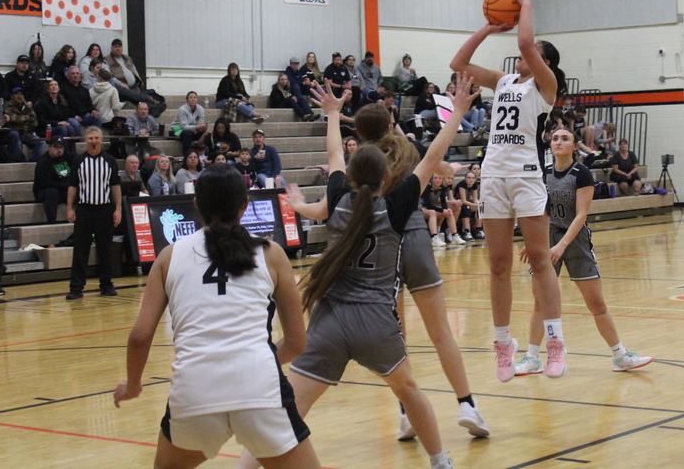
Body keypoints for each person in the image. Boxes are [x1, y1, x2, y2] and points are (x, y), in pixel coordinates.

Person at [236, 77, 475, 469]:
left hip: (328, 322)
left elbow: (333, 153)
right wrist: (459, 113)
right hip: (376, 323)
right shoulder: (396, 206)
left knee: (289, 411)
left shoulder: (338, 197)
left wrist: (332, 114)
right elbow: (433, 156)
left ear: (349, 175)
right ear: (386, 177)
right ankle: (440, 462)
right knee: (410, 390)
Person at [286, 96, 490, 443]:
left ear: (358, 132)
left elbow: (326, 205)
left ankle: (405, 413)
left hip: (383, 252)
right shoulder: (407, 149)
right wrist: (452, 161)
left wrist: (298, 204)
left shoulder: (357, 164)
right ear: (390, 121)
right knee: (441, 331)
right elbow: (435, 163)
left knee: (396, 336)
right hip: (411, 235)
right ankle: (466, 403)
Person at [113, 164, 319, 469]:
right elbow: (297, 343)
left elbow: (139, 337)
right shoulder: (271, 253)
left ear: (196, 204)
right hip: (259, 389)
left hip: (195, 390)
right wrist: (254, 358)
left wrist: (133, 385)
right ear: (245, 206)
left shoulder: (169, 256)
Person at [450, 0, 568, 382]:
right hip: (494, 176)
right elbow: (458, 65)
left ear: (544, 62)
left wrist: (526, 4)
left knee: (538, 261)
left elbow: (524, 45)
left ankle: (554, 341)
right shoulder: (502, 82)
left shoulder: (546, 87)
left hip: (526, 177)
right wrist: (487, 27)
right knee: (498, 266)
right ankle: (504, 344)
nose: (526, 56)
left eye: (536, 55)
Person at [514, 128, 652, 376]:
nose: (558, 141)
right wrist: (533, 242)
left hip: (575, 240)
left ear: (574, 146)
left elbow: (581, 214)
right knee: (539, 302)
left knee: (596, 303)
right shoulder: (543, 174)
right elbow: (540, 212)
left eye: (564, 138)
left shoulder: (582, 174)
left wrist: (561, 245)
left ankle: (619, 355)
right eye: (555, 138)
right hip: (547, 240)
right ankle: (532, 357)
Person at [66, 126, 122, 300]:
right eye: (90, 138)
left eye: (96, 138)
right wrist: (70, 208)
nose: (94, 141)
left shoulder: (110, 160)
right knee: (80, 250)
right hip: (84, 209)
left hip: (104, 209)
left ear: (101, 139)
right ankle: (76, 288)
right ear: (85, 140)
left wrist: (118, 209)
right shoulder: (78, 161)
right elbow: (72, 186)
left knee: (105, 249)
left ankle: (106, 285)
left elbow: (115, 186)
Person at [108, 39, 167, 117]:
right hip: (119, 88)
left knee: (135, 98)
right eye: (115, 47)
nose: (118, 48)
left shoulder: (127, 58)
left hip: (132, 86)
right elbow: (109, 76)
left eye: (119, 46)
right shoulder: (107, 60)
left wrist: (137, 84)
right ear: (111, 48)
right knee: (133, 96)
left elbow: (134, 71)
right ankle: (148, 99)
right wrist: (120, 83)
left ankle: (152, 109)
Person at [33, 137, 74, 223]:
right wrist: (68, 185)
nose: (59, 150)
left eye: (61, 148)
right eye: (56, 147)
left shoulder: (69, 157)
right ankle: (51, 221)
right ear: (49, 147)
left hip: (64, 189)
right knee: (52, 192)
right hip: (45, 191)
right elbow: (46, 183)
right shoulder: (43, 162)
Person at [3, 87, 47, 161]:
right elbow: (13, 119)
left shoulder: (27, 107)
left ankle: (32, 161)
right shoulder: (7, 106)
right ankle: (19, 162)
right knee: (17, 144)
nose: (19, 96)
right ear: (12, 96)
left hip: (27, 134)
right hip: (15, 134)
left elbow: (35, 122)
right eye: (16, 94)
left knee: (42, 143)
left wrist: (23, 119)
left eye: (21, 94)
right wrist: (27, 118)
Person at [421, 175, 458, 247]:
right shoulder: (427, 187)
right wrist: (441, 210)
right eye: (435, 178)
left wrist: (445, 209)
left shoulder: (442, 188)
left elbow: (443, 202)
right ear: (431, 180)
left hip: (431, 208)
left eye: (440, 178)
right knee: (432, 213)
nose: (438, 180)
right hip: (421, 208)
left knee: (449, 212)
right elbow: (427, 204)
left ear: (442, 180)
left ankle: (454, 235)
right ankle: (434, 237)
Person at [453, 170, 483, 241]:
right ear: (465, 178)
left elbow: (475, 199)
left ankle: (478, 229)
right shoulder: (462, 184)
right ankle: (466, 231)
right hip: (457, 203)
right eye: (469, 178)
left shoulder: (474, 184)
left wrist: (479, 204)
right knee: (466, 208)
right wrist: (475, 205)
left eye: (473, 178)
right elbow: (463, 200)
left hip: (467, 203)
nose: (471, 180)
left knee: (480, 207)